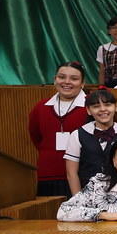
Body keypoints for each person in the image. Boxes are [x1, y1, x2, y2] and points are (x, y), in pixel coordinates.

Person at [28, 61, 90, 196]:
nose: (67, 82)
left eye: (74, 79)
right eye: (61, 77)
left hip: (83, 177)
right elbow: (36, 137)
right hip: (48, 175)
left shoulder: (92, 106)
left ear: (83, 83)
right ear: (55, 80)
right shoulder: (41, 107)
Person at [64, 89, 117, 195]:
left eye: (108, 105)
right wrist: (77, 201)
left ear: (116, 107)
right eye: (96, 106)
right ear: (88, 110)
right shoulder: (77, 135)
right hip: (87, 195)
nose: (102, 109)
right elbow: (71, 173)